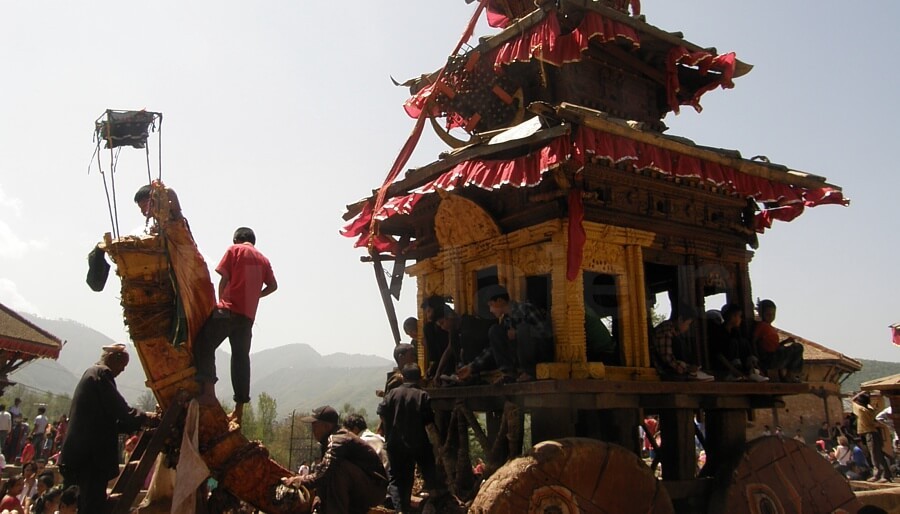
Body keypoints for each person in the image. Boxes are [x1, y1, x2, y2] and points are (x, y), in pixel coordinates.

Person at [59, 343, 158, 514]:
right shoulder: (102, 373)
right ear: (113, 358)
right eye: (123, 365)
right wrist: (145, 418)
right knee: (91, 507)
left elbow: (108, 419)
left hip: (78, 456)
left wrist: (136, 422)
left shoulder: (91, 373)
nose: (123, 370)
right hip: (89, 459)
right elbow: (120, 409)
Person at [194, 226, 278, 425]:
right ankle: (238, 411)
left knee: (203, 344)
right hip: (247, 317)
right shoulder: (264, 260)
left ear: (237, 239)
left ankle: (208, 393)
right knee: (240, 359)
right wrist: (256, 295)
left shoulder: (235, 250)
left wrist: (218, 304)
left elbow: (224, 280)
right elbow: (273, 286)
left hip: (228, 309)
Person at [282, 406, 387, 514]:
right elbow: (322, 472)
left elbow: (325, 472)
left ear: (326, 426)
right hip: (363, 487)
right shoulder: (330, 440)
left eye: (315, 425)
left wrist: (301, 480)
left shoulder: (337, 439)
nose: (313, 430)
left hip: (375, 489)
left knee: (337, 469)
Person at [378, 364, 441, 513]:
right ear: (419, 378)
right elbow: (429, 422)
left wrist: (389, 431)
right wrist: (437, 443)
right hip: (418, 443)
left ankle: (401, 509)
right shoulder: (422, 395)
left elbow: (382, 412)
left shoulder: (392, 393)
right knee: (428, 471)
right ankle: (436, 500)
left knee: (397, 479)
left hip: (395, 443)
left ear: (403, 377)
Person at [478, 285, 553, 383]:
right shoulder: (506, 320)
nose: (490, 310)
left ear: (500, 301)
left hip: (540, 356)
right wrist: (472, 367)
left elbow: (546, 332)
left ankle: (529, 372)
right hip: (520, 360)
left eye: (491, 305)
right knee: (495, 330)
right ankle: (509, 373)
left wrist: (518, 333)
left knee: (523, 328)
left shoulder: (526, 309)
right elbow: (492, 348)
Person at [652, 304, 713, 381]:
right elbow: (668, 359)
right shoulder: (666, 332)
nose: (687, 328)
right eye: (688, 324)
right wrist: (687, 368)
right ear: (680, 319)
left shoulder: (674, 332)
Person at [708, 304, 767, 382]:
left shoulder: (735, 332)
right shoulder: (719, 332)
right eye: (739, 316)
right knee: (734, 342)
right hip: (725, 366)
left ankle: (751, 371)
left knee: (744, 342)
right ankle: (735, 373)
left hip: (739, 366)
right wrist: (734, 370)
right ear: (732, 317)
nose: (740, 319)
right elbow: (719, 355)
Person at [752, 299, 803, 382]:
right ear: (761, 313)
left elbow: (774, 346)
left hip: (774, 355)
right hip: (768, 359)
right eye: (768, 314)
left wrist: (785, 342)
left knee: (790, 348)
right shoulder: (761, 326)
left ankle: (788, 375)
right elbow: (753, 341)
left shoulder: (771, 328)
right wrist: (756, 357)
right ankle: (789, 375)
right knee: (798, 347)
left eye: (773, 314)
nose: (771, 316)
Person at [852, 391, 893, 483]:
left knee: (874, 455)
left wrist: (860, 393)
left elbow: (853, 400)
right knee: (878, 454)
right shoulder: (870, 409)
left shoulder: (861, 410)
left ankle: (878, 474)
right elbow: (868, 404)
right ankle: (885, 474)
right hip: (874, 433)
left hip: (869, 433)